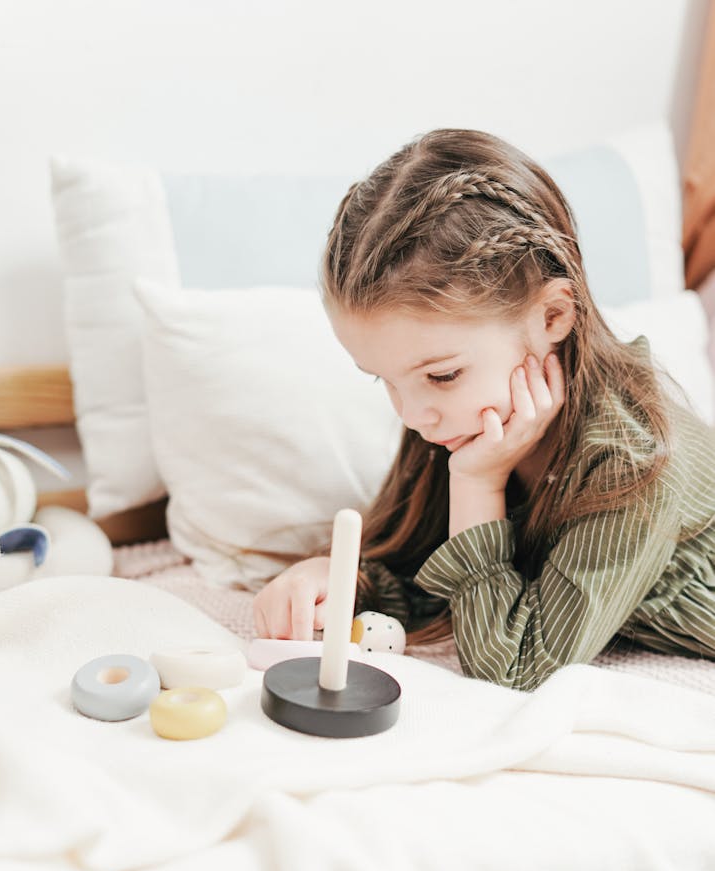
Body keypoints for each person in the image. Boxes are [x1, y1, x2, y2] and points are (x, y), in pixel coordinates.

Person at [252, 128, 715, 691]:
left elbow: (514, 666)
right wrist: (339, 578)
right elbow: (423, 569)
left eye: (442, 376)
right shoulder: (455, 413)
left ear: (552, 318)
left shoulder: (632, 462)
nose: (414, 414)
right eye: (385, 381)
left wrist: (476, 486)